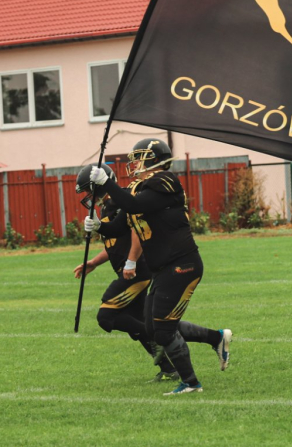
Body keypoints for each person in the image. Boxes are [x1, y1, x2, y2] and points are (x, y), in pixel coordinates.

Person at [81, 139, 231, 395]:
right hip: (163, 267)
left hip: (181, 263)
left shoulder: (165, 180)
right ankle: (216, 338)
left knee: (161, 329)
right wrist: (99, 227)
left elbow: (134, 205)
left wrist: (108, 184)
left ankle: (191, 383)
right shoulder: (141, 188)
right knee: (152, 326)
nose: (133, 164)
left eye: (139, 157)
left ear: (154, 158)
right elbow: (121, 225)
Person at [73, 165, 178, 382]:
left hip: (137, 271)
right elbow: (113, 243)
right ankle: (170, 368)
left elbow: (137, 232)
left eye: (89, 190)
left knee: (106, 316)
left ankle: (161, 339)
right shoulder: (107, 207)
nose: (88, 196)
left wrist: (131, 262)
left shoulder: (122, 200)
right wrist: (94, 262)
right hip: (130, 270)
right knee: (135, 321)